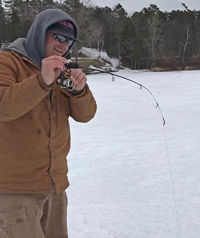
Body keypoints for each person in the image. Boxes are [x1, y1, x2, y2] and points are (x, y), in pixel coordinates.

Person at [0, 9, 97, 238]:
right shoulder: (7, 61)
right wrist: (42, 81)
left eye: (69, 41)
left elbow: (86, 115)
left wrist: (79, 91)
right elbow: (4, 107)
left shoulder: (63, 72)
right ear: (40, 33)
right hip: (15, 189)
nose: (64, 45)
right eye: (59, 37)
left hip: (54, 186)